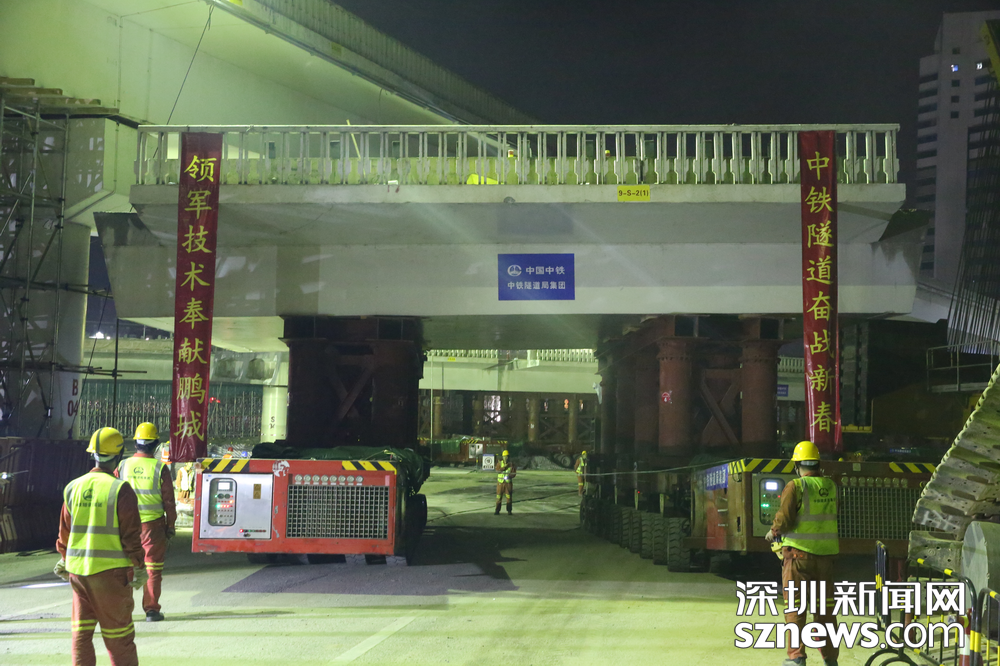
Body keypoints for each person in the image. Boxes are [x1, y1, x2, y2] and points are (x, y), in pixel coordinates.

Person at [54, 427, 147, 666]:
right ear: (119, 455)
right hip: (110, 575)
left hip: (78, 574)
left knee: (81, 634)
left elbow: (65, 532)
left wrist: (64, 558)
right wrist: (139, 566)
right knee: (119, 637)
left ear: (93, 455)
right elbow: (131, 536)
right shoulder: (120, 489)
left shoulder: (73, 487)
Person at [765, 440, 840, 666]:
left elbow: (784, 519)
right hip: (825, 558)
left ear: (797, 465)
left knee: (796, 608)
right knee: (825, 610)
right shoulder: (831, 486)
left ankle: (797, 657)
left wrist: (773, 532)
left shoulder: (796, 486)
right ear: (817, 463)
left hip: (798, 558)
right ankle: (830, 659)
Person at [116, 422, 176, 622]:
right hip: (152, 526)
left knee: (126, 567)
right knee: (152, 569)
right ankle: (151, 611)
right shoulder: (160, 468)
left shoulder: (123, 466)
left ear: (136, 443)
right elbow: (169, 501)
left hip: (126, 525)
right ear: (156, 445)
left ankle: (123, 610)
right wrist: (170, 526)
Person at [494, 449, 516, 515]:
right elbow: (497, 470)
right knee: (498, 497)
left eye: (507, 456)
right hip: (500, 483)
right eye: (504, 456)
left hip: (508, 483)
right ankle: (497, 510)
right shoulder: (499, 463)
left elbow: (514, 473)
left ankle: (509, 511)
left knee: (509, 497)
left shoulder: (512, 465)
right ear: (502, 457)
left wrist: (509, 476)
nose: (505, 458)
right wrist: (504, 467)